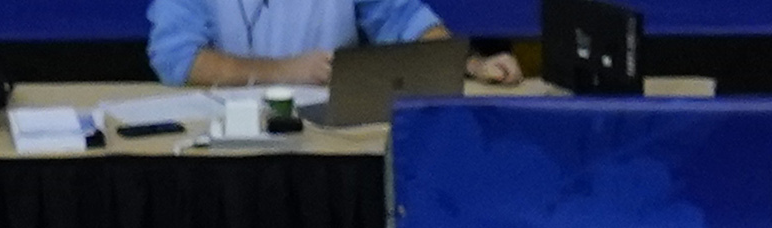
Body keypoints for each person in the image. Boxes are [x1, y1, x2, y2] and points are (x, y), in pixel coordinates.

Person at [150, 0, 522, 83]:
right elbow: (176, 58)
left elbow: (404, 20)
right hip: (225, 142)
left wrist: (471, 64)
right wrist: (285, 71)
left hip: (327, 138)